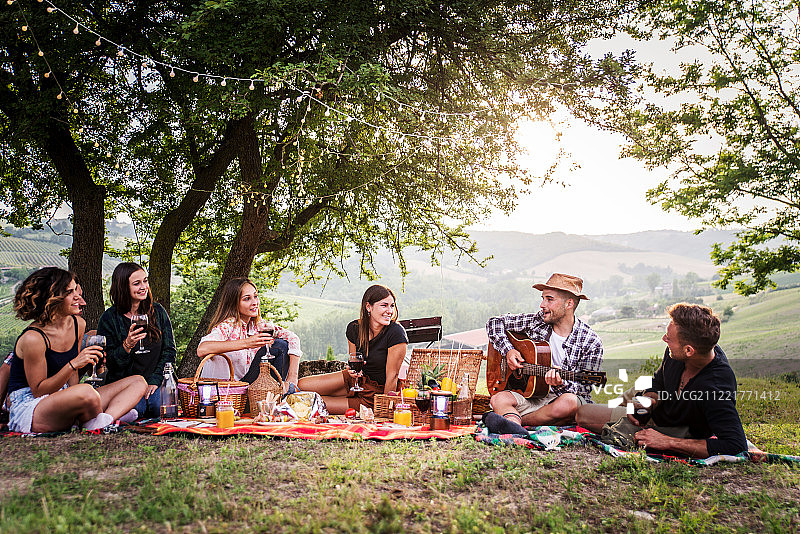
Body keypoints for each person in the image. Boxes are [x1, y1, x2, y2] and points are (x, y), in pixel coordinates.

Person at [576, 303, 747, 458]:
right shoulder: (677, 353)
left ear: (689, 350)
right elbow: (659, 380)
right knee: (627, 398)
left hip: (671, 426)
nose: (664, 340)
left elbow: (735, 444)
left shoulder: (714, 388)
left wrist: (666, 441)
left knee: (583, 414)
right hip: (654, 403)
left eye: (669, 338)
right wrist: (650, 400)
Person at [6, 267, 146, 433]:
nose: (78, 297)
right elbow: (39, 391)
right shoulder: (33, 338)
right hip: (32, 407)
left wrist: (74, 389)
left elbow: (72, 385)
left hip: (64, 396)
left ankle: (103, 419)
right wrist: (74, 364)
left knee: (138, 381)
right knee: (86, 392)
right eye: (69, 292)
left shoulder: (78, 324)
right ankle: (105, 416)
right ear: (53, 298)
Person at [484, 273, 603, 434]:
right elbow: (494, 323)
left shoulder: (591, 341)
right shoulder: (537, 321)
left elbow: (584, 390)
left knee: (571, 403)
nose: (542, 304)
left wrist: (560, 383)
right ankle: (515, 425)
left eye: (549, 299)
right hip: (532, 396)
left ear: (569, 304)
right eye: (543, 298)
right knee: (498, 398)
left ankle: (513, 421)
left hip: (558, 402)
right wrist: (508, 350)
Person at [298, 284, 408, 414]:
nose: (389, 310)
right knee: (302, 386)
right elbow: (353, 360)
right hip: (355, 381)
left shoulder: (396, 333)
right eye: (384, 305)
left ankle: (345, 402)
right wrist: (352, 372)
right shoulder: (354, 328)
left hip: (374, 393)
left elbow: (392, 377)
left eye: (392, 305)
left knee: (309, 403)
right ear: (368, 307)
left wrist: (383, 409)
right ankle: (343, 397)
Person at [97, 262, 177, 418]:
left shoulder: (158, 312)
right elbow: (110, 364)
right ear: (123, 287)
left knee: (157, 407)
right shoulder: (109, 318)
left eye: (145, 281)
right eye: (136, 283)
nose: (143, 286)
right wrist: (126, 346)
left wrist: (155, 380)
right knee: (138, 409)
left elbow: (169, 351)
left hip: (156, 380)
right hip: (126, 384)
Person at [197, 277, 302, 387]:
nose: (255, 302)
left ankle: (284, 390)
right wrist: (247, 343)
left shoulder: (257, 325)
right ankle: (280, 395)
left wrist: (292, 378)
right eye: (247, 299)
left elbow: (292, 338)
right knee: (279, 346)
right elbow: (202, 349)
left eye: (255, 297)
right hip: (227, 390)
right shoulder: (229, 324)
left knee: (281, 345)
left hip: (248, 386)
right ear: (234, 303)